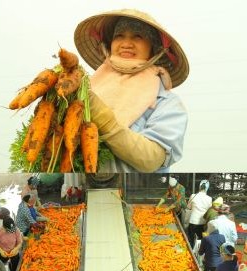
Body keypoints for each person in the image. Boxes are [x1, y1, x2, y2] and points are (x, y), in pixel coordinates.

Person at [75, 9, 189, 172]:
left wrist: (107, 123)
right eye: (119, 36)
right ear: (109, 45)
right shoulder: (86, 87)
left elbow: (152, 158)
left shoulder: (167, 103)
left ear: (155, 49)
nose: (126, 43)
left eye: (138, 36)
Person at [186, 180, 212, 248]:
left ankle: (191, 252)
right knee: (200, 241)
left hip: (193, 221)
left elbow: (188, 207)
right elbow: (209, 210)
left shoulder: (193, 196)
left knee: (191, 240)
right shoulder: (209, 198)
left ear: (199, 187)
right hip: (203, 223)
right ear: (207, 188)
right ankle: (198, 256)